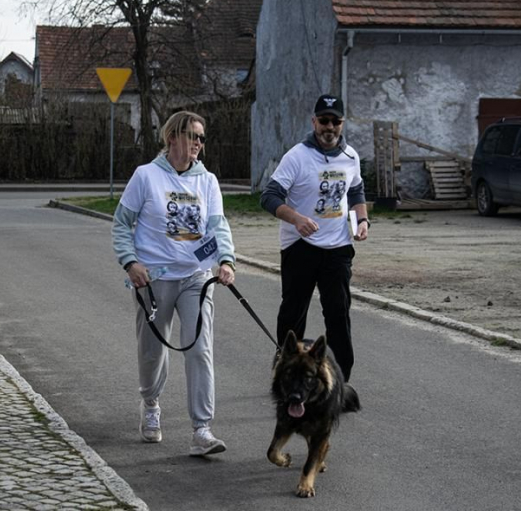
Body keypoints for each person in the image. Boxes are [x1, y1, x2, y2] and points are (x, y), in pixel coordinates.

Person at [112, 111, 236, 456]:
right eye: (191, 135)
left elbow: (218, 226)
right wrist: (130, 262)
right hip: (153, 279)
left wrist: (226, 261)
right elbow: (121, 224)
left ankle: (202, 429)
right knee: (153, 351)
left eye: (201, 137)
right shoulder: (146, 176)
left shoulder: (207, 182)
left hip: (195, 278)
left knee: (199, 349)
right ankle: (150, 403)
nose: (197, 143)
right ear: (172, 138)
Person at [260, 94, 369, 382]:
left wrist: (362, 220)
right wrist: (296, 219)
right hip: (300, 247)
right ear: (314, 122)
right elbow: (269, 196)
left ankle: (341, 381)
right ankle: (287, 371)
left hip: (338, 248)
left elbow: (355, 191)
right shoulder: (296, 156)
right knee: (293, 315)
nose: (329, 127)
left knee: (338, 315)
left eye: (335, 121)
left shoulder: (351, 157)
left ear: (342, 124)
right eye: (324, 121)